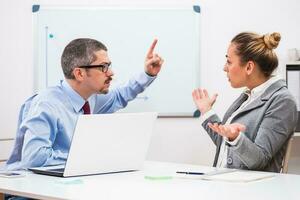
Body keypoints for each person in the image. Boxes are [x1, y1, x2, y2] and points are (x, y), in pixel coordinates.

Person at [4, 38, 164, 171]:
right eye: (104, 67)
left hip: (63, 185)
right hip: (27, 189)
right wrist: (86, 156)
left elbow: (121, 95)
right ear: (79, 73)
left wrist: (147, 74)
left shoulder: (91, 98)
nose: (111, 73)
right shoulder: (46, 104)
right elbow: (34, 157)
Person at [192, 32, 298, 172]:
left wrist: (236, 137)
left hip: (250, 192)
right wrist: (207, 111)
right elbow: (225, 143)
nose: (225, 68)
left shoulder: (282, 101)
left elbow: (259, 160)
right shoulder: (248, 95)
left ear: (249, 67)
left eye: (229, 61)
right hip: (226, 185)